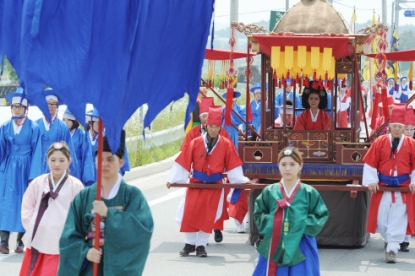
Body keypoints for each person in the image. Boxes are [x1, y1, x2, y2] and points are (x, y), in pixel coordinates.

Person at [58, 130, 154, 275]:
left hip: (119, 266)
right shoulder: (84, 196)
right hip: (91, 266)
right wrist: (85, 252)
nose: (104, 164)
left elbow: (143, 230)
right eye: (100, 159)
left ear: (121, 162)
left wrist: (110, 214)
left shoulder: (132, 196)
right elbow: (69, 236)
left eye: (110, 159)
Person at [166, 106, 250, 257]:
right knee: (190, 212)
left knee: (208, 215)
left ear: (220, 127)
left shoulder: (226, 144)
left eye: (216, 127)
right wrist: (173, 179)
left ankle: (201, 246)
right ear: (205, 126)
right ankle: (189, 244)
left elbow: (233, 165)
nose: (213, 129)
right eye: (210, 126)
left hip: (215, 185)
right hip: (196, 183)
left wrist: (242, 181)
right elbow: (184, 161)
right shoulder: (195, 142)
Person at [252, 147, 329, 275]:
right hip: (274, 241)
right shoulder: (270, 191)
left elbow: (320, 215)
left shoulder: (309, 192)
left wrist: (300, 223)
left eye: (292, 164)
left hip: (301, 241)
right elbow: (259, 213)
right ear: (278, 166)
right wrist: (274, 221)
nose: (288, 168)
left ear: (300, 166)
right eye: (283, 164)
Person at [19, 142, 84, 275]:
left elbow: (81, 213)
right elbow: (27, 206)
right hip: (39, 237)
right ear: (47, 160)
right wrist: (35, 225)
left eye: (62, 160)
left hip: (63, 241)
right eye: (53, 160)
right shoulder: (38, 182)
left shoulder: (76, 185)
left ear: (69, 161)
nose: (57, 164)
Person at [362, 103, 415, 263]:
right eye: (394, 126)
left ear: (403, 127)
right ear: (390, 127)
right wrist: (371, 181)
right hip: (383, 187)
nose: (397, 129)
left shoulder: (412, 144)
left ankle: (392, 248)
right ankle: (389, 239)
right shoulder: (380, 142)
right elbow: (370, 162)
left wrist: (414, 181)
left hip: (402, 188)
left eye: (400, 126)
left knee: (398, 217)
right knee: (382, 220)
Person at [0, 89, 43, 255]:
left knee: (25, 203)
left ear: (27, 108)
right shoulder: (4, 126)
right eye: (15, 106)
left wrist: (34, 176)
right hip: (9, 168)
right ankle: (3, 241)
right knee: (6, 202)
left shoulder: (33, 128)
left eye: (20, 106)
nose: (17, 109)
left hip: (26, 167)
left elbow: (37, 152)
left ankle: (19, 242)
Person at [36, 88, 78, 175]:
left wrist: (70, 171)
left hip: (57, 165)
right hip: (38, 166)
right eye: (48, 104)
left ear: (57, 106)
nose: (51, 106)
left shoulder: (63, 127)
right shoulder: (35, 125)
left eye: (54, 104)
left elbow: (69, 150)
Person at [85, 107, 130, 176]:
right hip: (92, 170)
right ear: (91, 123)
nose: (101, 126)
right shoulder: (84, 136)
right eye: (98, 123)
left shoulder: (110, 134)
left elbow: (122, 149)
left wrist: (123, 167)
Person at [62, 107, 95, 186]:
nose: (66, 122)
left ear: (75, 120)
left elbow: (87, 155)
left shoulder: (83, 135)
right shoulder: (62, 133)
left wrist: (87, 174)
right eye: (64, 120)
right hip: (64, 167)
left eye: (69, 120)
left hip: (78, 168)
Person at [400, 107, 415, 252]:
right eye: (407, 129)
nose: (410, 132)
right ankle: (392, 239)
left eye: (412, 129)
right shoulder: (395, 144)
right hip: (399, 182)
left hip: (412, 184)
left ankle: (405, 240)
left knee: (410, 212)